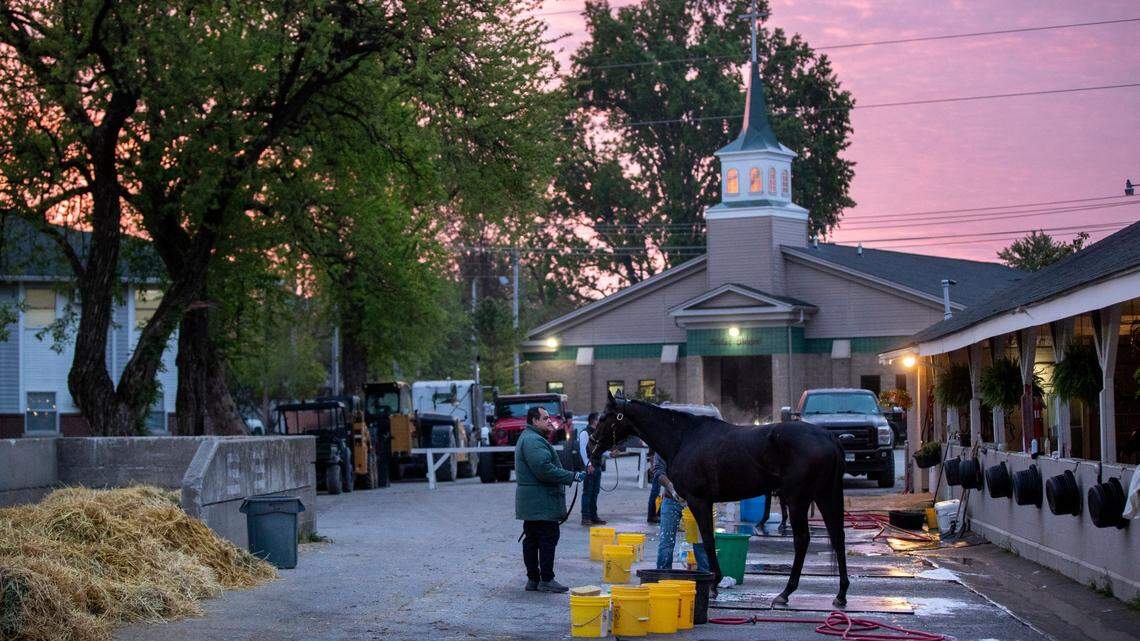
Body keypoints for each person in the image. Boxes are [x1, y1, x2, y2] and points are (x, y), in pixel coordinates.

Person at [515, 405, 585, 593]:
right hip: (541, 502)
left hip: (534, 502)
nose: (550, 421)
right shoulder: (533, 441)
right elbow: (544, 470)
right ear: (534, 421)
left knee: (533, 540)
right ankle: (546, 579)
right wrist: (572, 476)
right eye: (545, 418)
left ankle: (534, 580)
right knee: (546, 538)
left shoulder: (531, 438)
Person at [652, 454, 709, 571]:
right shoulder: (664, 444)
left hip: (695, 500)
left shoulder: (695, 442)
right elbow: (658, 471)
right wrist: (671, 487)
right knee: (666, 543)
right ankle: (663, 577)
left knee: (700, 543)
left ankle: (706, 579)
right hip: (671, 499)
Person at [578, 412, 607, 525]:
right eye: (600, 420)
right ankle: (585, 517)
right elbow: (583, 450)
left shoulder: (598, 433)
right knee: (587, 492)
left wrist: (610, 454)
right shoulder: (585, 433)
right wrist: (588, 464)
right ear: (594, 421)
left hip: (597, 466)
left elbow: (600, 450)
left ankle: (593, 516)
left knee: (595, 492)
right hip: (590, 467)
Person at [646, 450, 661, 523]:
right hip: (658, 464)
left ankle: (657, 514)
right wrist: (652, 465)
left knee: (657, 490)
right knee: (655, 491)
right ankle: (651, 515)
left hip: (660, 463)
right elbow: (652, 451)